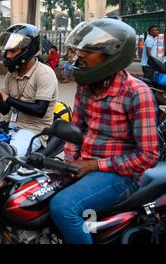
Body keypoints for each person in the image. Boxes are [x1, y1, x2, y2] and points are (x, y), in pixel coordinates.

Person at [49, 18, 159, 244]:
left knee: (63, 207)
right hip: (83, 165)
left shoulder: (137, 93)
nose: (79, 56)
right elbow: (75, 130)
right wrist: (70, 161)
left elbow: (148, 156)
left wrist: (95, 165)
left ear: (112, 55)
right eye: (80, 50)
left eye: (88, 51)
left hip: (121, 175)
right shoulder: (86, 87)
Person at [0, 23, 58, 157]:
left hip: (33, 131)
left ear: (27, 50)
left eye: (13, 51)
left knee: (5, 158)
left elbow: (39, 110)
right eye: (7, 51)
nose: (8, 56)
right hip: (11, 126)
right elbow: (6, 109)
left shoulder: (44, 74)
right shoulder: (12, 73)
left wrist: (9, 99)